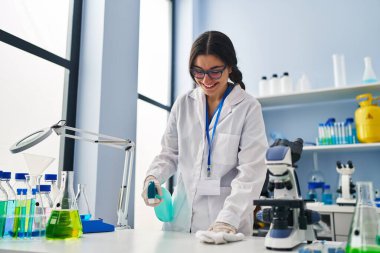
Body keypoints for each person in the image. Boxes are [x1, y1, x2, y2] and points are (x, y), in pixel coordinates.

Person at [142, 31, 268, 236]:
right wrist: (153, 177)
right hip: (180, 224)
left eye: (215, 71)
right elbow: (169, 153)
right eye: (198, 71)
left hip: (225, 225)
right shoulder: (183, 104)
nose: (206, 79)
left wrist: (228, 220)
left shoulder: (248, 107)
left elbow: (251, 172)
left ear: (230, 67)